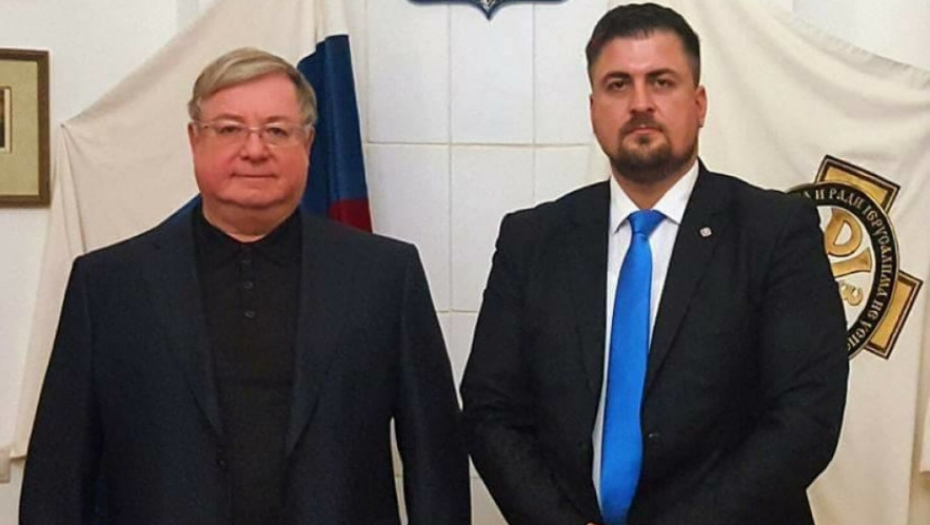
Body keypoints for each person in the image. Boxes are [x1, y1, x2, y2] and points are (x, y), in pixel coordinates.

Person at [21, 47, 470, 525]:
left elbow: (436, 463)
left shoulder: (385, 276)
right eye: (230, 129)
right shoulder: (109, 285)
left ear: (308, 144)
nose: (254, 150)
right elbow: (57, 478)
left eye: (276, 131)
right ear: (195, 140)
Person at [460, 4, 848, 525]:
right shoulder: (532, 239)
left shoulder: (775, 232)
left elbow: (807, 415)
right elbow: (491, 410)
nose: (640, 103)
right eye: (618, 85)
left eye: (661, 82)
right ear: (593, 108)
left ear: (699, 103)